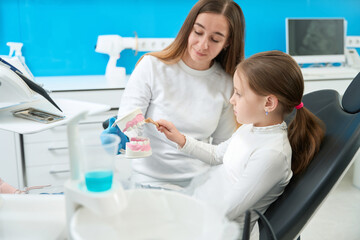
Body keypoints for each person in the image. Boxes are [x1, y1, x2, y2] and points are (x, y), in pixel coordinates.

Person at [156, 50, 325, 235]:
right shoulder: (250, 129)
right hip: (204, 211)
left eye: (238, 93)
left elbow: (226, 210)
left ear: (269, 103)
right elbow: (217, 155)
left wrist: (180, 216)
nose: (231, 99)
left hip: (219, 230)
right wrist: (180, 139)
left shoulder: (272, 154)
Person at [103, 0, 246, 188]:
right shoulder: (152, 66)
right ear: (188, 28)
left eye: (215, 39)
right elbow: (130, 123)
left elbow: (221, 152)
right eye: (198, 32)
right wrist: (122, 135)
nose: (203, 45)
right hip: (149, 183)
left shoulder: (227, 84)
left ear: (227, 42)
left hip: (199, 186)